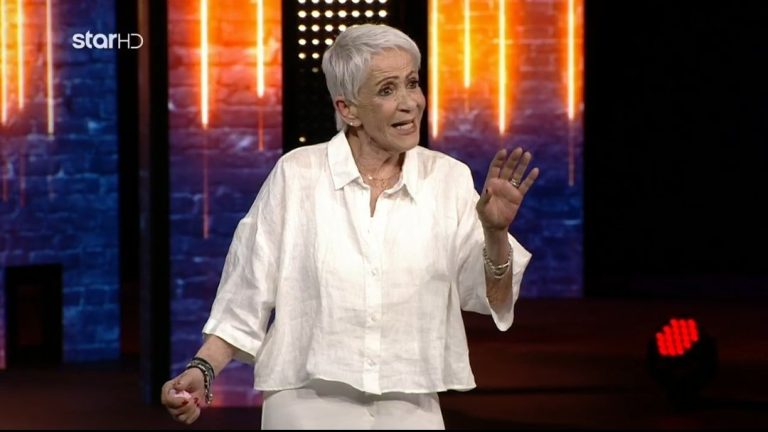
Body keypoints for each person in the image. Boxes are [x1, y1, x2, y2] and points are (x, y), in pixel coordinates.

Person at [161, 23, 540, 429]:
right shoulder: (298, 175)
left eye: (412, 83)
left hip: (411, 404)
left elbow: (490, 294)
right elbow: (246, 294)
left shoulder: (447, 179)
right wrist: (203, 368)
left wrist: (495, 234)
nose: (410, 102)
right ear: (348, 109)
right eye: (387, 90)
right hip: (306, 403)